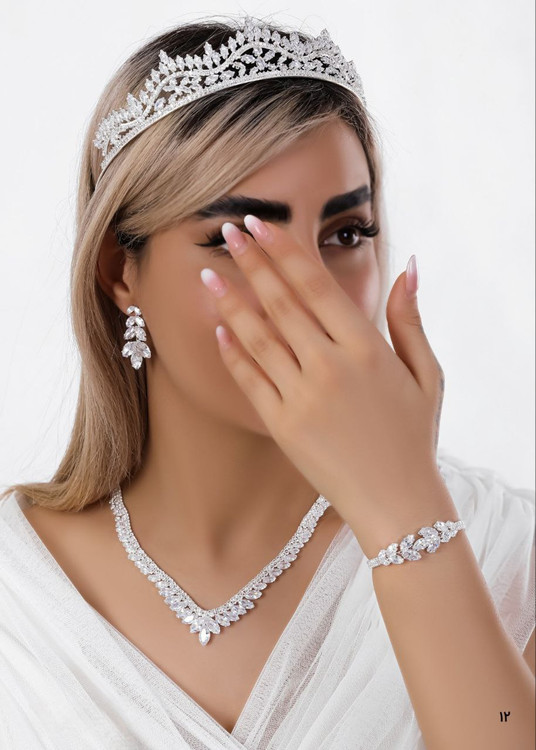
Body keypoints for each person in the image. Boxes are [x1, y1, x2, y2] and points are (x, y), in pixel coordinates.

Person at [0, 14, 534, 750]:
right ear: (120, 273)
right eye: (239, 239)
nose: (310, 289)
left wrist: (407, 516)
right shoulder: (17, 591)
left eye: (345, 234)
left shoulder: (509, 551)